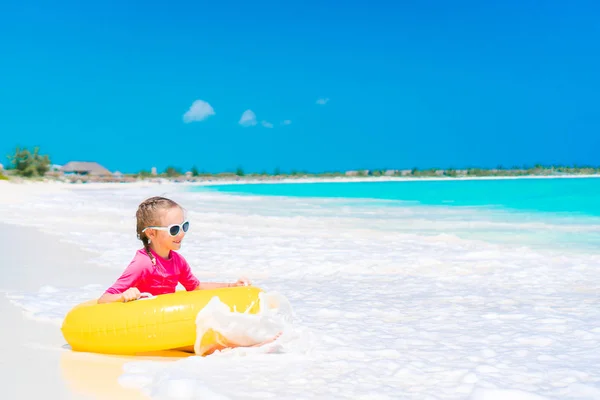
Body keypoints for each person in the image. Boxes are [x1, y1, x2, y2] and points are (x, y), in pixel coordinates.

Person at [98, 196, 250, 304]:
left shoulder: (178, 261)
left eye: (184, 226)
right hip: (142, 320)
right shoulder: (143, 264)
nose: (182, 233)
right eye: (174, 229)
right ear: (151, 233)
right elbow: (104, 298)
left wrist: (231, 286)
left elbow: (195, 287)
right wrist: (124, 296)